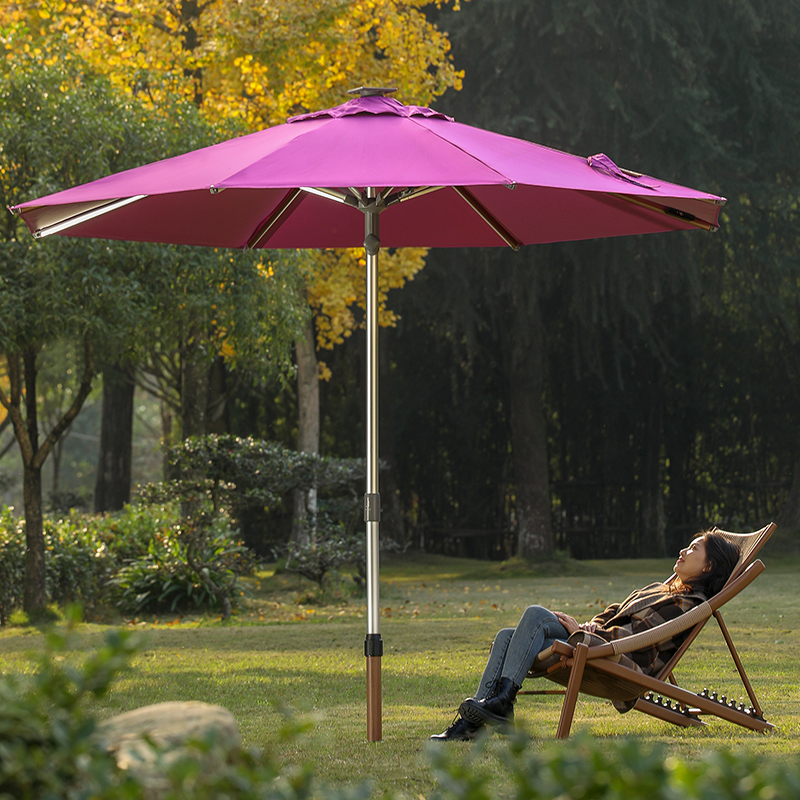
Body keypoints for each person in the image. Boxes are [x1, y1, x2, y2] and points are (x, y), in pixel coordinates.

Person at [429, 530, 741, 742]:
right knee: (506, 637)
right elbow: (616, 612)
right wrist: (589, 626)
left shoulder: (686, 606)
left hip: (618, 660)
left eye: (694, 549)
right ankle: (475, 722)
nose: (683, 551)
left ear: (708, 566)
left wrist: (580, 631)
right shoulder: (662, 590)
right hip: (598, 643)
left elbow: (639, 639)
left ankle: (499, 704)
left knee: (536, 615)